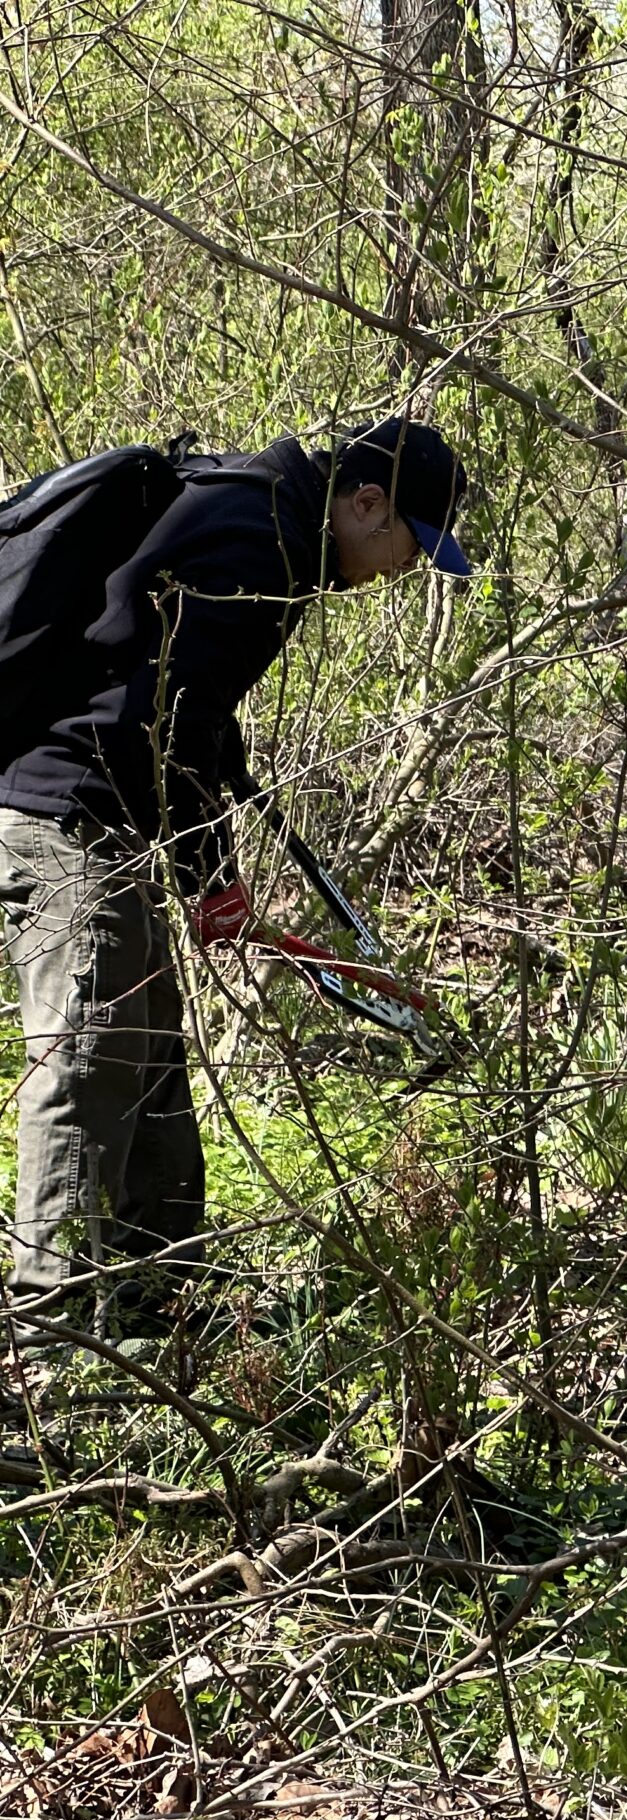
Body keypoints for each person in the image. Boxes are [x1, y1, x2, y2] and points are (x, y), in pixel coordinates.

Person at [0, 417, 470, 1334]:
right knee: (91, 1054)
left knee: (147, 1046)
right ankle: (50, 1329)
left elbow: (180, 689)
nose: (405, 569)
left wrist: (213, 832)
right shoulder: (265, 540)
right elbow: (167, 721)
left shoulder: (256, 508)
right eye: (412, 544)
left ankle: (157, 1295)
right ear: (367, 503)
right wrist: (210, 876)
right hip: (66, 811)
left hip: (101, 814)